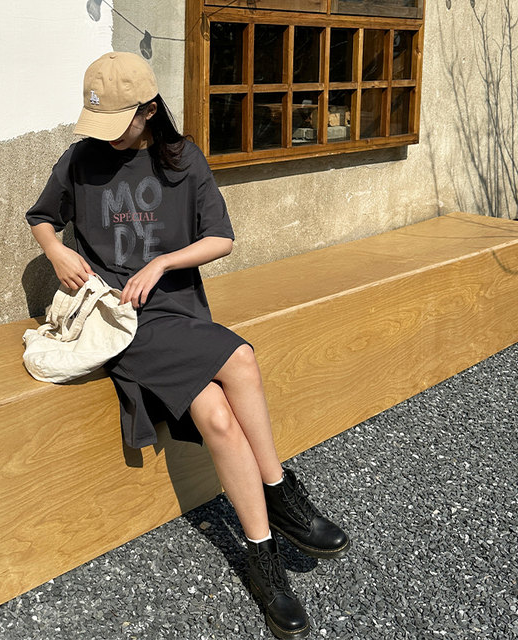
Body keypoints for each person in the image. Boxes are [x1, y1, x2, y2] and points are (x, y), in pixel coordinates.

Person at [25, 51, 349, 640]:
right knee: (241, 357)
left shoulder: (183, 159)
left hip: (178, 310)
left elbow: (221, 238)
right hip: (122, 320)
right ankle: (279, 493)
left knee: (220, 419)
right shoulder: (80, 159)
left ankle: (263, 556)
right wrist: (56, 249)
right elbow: (42, 217)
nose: (106, 135)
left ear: (149, 110)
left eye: (118, 120)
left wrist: (163, 262)